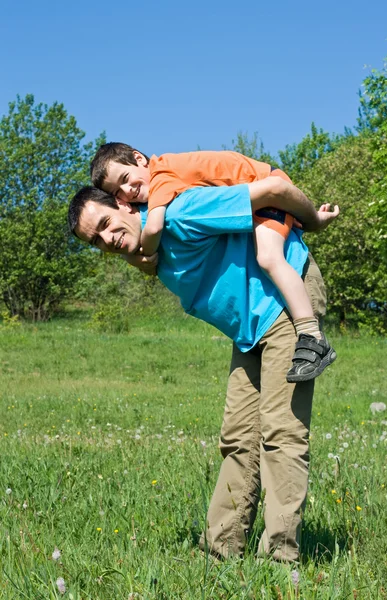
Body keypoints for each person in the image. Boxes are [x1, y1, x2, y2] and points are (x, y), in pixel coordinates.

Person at [68, 178, 338, 562]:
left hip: (285, 306)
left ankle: (281, 558)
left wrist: (312, 219)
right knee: (238, 435)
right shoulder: (148, 244)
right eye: (95, 240)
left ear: (125, 204)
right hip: (250, 328)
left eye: (106, 224)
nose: (106, 239)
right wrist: (134, 251)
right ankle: (221, 550)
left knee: (281, 431)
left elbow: (274, 189)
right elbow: (146, 254)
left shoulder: (182, 212)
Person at [90, 144, 337, 383]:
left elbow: (153, 227)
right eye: (116, 193)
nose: (126, 192)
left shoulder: (162, 177)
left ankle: (311, 335)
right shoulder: (161, 178)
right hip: (260, 194)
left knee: (269, 257)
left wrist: (143, 257)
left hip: (266, 185)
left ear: (139, 159)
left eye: (125, 178)